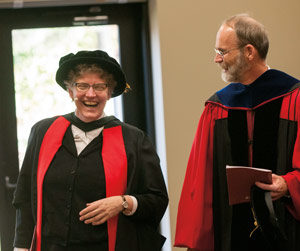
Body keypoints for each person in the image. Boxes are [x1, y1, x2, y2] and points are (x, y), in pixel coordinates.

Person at [13, 50, 168, 251]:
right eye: (82, 85)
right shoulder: (43, 132)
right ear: (70, 91)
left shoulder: (133, 139)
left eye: (100, 87)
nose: (91, 94)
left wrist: (123, 202)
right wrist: (21, 247)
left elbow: (157, 200)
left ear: (109, 92)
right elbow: (24, 197)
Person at [174, 14, 300, 251]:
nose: (216, 59)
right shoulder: (218, 107)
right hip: (231, 234)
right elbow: (201, 181)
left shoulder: (295, 99)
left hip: (288, 231)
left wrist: (288, 184)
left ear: (249, 52)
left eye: (222, 51)